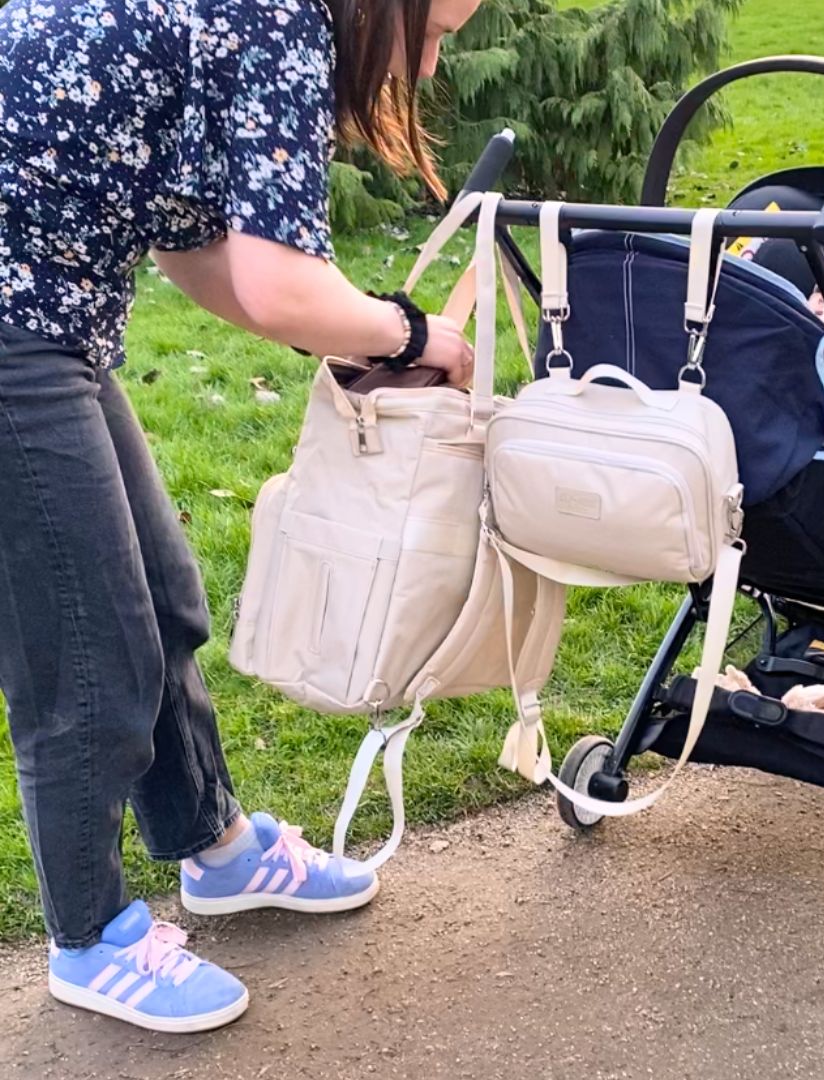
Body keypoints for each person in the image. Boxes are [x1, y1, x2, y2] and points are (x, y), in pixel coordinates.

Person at [0, 0, 482, 1033]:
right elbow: (274, 283)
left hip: (51, 321)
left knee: (163, 602)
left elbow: (194, 255)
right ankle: (88, 939)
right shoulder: (279, 16)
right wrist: (407, 330)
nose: (433, 63)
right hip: (14, 327)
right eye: (436, 31)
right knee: (88, 655)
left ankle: (214, 849)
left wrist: (358, 337)